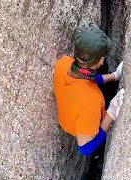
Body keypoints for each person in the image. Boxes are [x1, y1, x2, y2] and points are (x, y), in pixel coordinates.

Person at [53, 27, 125, 156]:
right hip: (81, 123)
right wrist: (111, 113)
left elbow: (86, 76)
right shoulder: (91, 102)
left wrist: (115, 76)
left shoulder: (63, 64)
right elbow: (85, 148)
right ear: (101, 60)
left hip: (70, 113)